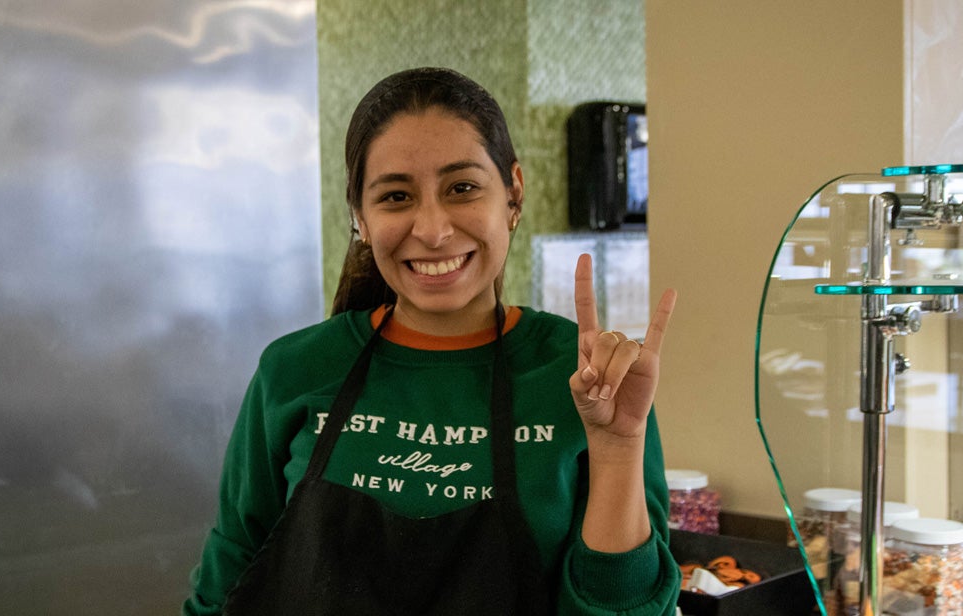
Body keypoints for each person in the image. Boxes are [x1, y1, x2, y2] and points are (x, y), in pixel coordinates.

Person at [183, 66, 681, 615]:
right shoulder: (295, 370)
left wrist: (616, 449)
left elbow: (628, 607)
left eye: (462, 187)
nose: (433, 229)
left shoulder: (588, 378)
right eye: (396, 196)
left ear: (512, 194)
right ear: (361, 217)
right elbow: (225, 589)